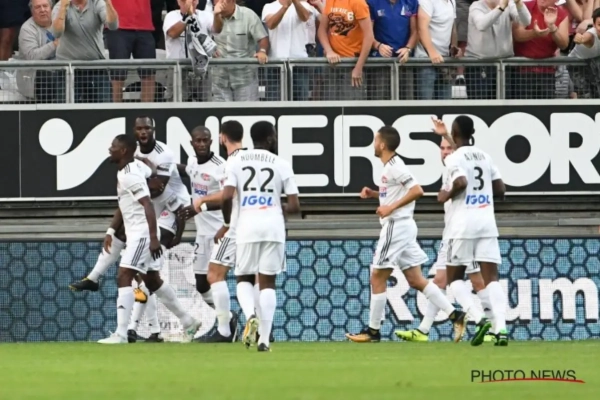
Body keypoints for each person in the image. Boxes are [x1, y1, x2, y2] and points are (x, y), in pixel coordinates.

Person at [345, 127, 467, 344]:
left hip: (396, 226)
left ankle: (373, 331)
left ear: (383, 145)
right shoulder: (390, 167)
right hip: (404, 227)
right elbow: (397, 193)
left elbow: (417, 190)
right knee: (416, 280)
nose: (374, 144)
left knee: (377, 276)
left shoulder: (395, 166)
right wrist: (374, 194)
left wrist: (390, 208)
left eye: (376, 140)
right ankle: (455, 315)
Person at [98, 135, 201, 344]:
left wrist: (157, 238)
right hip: (147, 228)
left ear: (123, 151)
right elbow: (150, 179)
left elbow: (151, 204)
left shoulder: (136, 174)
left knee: (125, 274)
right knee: (151, 279)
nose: (110, 149)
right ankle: (187, 321)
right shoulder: (136, 168)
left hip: (150, 229)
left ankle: (122, 333)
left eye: (113, 147)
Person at [395, 134, 496, 344]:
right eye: (442, 148)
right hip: (450, 234)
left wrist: (444, 195)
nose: (445, 152)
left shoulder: (461, 169)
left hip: (463, 234)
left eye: (449, 148)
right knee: (440, 281)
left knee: (476, 281)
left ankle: (491, 327)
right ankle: (424, 330)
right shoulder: (450, 170)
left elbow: (458, 188)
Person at [221, 121, 300, 352]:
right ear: (270, 138)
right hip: (273, 227)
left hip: (247, 225)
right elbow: (295, 206)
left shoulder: (236, 161)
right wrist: (279, 207)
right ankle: (264, 339)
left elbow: (226, 197)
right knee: (267, 283)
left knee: (243, 277)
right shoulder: (281, 163)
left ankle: (250, 315)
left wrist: (227, 223)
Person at [436, 115, 508, 346]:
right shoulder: (485, 156)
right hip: (487, 222)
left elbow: (461, 182)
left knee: (454, 279)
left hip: (462, 225)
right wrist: (482, 196)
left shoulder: (453, 158)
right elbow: (500, 188)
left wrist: (445, 195)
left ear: (455, 134)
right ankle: (501, 329)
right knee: (492, 278)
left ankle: (478, 318)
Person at [176, 126, 240, 343]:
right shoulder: (192, 162)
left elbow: (227, 197)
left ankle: (226, 328)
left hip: (219, 231)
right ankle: (228, 317)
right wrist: (159, 166)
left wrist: (200, 207)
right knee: (201, 284)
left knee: (218, 278)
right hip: (202, 233)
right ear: (192, 143)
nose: (202, 144)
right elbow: (188, 171)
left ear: (212, 142)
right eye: (198, 141)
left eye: (205, 140)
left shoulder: (220, 166)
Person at [204, 121, 246, 342]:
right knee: (253, 279)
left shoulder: (231, 163)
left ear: (222, 137)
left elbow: (227, 196)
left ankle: (224, 330)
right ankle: (263, 330)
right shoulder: (251, 159)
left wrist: (201, 202)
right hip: (254, 227)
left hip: (236, 228)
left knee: (214, 274)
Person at [52, 0, 119, 103]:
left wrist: (108, 3)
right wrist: (63, 8)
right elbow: (57, 33)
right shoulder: (60, 5)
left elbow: (113, 26)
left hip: (96, 68)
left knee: (104, 108)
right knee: (66, 109)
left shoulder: (97, 3)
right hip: (68, 69)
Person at [465, 0, 531, 99]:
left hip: (504, 66)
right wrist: (500, 8)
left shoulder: (509, 5)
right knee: (480, 105)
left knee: (505, 106)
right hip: (478, 67)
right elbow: (482, 25)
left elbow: (526, 21)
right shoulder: (476, 6)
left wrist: (518, 3)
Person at [211, 0, 269, 102]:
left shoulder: (248, 15)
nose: (219, 4)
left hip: (245, 79)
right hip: (220, 79)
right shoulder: (210, 17)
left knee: (246, 111)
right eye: (216, 1)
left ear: (233, 1)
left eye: (223, 0)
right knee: (221, 111)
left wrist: (262, 51)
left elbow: (263, 38)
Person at [511, 0, 569, 99]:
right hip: (521, 71)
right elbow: (517, 35)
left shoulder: (562, 14)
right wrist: (534, 33)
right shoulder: (526, 7)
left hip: (546, 72)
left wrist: (552, 28)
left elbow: (564, 45)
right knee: (522, 107)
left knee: (545, 107)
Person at [317, 0, 374, 100]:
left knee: (352, 106)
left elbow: (369, 36)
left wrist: (358, 67)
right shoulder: (330, 1)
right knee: (330, 103)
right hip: (332, 64)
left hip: (352, 63)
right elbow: (321, 30)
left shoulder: (358, 3)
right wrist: (329, 51)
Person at [261, 0, 313, 101]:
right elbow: (271, 24)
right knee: (274, 101)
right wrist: (284, 7)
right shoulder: (269, 6)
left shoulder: (304, 5)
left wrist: (295, 2)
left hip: (299, 62)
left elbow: (305, 17)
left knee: (301, 102)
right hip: (276, 63)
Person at [163, 0, 214, 101]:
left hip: (202, 68)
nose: (189, 3)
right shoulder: (171, 16)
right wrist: (186, 17)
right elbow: (172, 33)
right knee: (176, 104)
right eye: (185, 1)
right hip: (178, 70)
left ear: (197, 2)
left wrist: (217, 14)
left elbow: (217, 30)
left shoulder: (206, 16)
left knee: (205, 105)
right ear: (178, 2)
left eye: (193, 0)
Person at [108, 0, 157, 103]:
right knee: (117, 75)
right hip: (119, 26)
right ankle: (115, 112)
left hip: (144, 26)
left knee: (149, 74)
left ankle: (147, 112)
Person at [367, 0, 418, 100]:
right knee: (379, 100)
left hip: (404, 60)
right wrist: (378, 46)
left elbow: (416, 31)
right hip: (380, 61)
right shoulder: (372, 2)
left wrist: (408, 48)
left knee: (407, 101)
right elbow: (367, 33)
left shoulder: (411, 2)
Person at [16, 0, 61, 103]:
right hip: (34, 78)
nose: (42, 10)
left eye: (45, 6)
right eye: (37, 7)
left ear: (51, 8)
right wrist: (55, 44)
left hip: (60, 73)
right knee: (46, 77)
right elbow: (32, 57)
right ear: (32, 11)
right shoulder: (27, 29)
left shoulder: (60, 23)